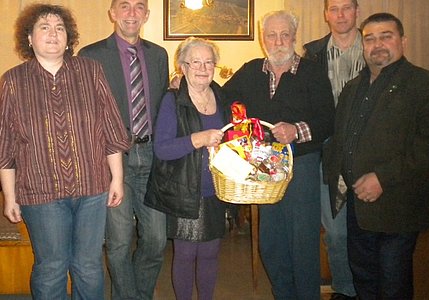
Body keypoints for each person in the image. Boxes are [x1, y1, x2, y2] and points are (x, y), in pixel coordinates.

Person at [0, 3, 130, 299]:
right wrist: (10, 195)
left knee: (88, 265)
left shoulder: (90, 71)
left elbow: (110, 129)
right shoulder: (12, 81)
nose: (53, 34)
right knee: (51, 267)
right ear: (29, 38)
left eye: (60, 28)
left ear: (68, 37)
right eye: (43, 27)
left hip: (92, 188)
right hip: (40, 193)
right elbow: (4, 144)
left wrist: (117, 179)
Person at [324, 12, 429, 299]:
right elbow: (343, 138)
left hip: (398, 206)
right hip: (357, 206)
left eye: (386, 36)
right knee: (364, 279)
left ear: (403, 41)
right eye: (369, 39)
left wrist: (382, 178)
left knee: (393, 284)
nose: (377, 44)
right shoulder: (353, 88)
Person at [222, 10, 335, 299]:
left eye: (285, 34)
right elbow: (221, 97)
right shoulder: (251, 70)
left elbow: (329, 120)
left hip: (302, 166)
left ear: (294, 37)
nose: (278, 41)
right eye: (271, 35)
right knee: (270, 242)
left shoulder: (312, 72)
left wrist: (297, 130)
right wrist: (184, 84)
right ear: (263, 39)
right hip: (264, 169)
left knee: (303, 241)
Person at [78, 0, 169, 299]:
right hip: (112, 161)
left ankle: (135, 295)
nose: (132, 13)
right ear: (112, 13)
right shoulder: (91, 56)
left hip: (152, 156)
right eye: (124, 6)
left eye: (139, 6)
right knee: (118, 242)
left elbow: (160, 106)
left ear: (147, 14)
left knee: (156, 239)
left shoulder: (159, 55)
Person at [144, 37, 226, 300]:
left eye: (208, 62)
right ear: (183, 67)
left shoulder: (222, 95)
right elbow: (163, 149)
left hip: (215, 189)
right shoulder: (172, 100)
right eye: (195, 62)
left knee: (211, 253)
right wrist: (199, 139)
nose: (202, 68)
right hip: (183, 190)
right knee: (186, 255)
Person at [303, 1, 364, 299]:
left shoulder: (374, 45)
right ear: (325, 14)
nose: (340, 15)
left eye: (347, 7)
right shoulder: (312, 54)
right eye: (334, 8)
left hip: (370, 151)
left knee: (370, 229)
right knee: (337, 232)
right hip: (327, 152)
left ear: (357, 11)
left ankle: (370, 287)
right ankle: (344, 289)